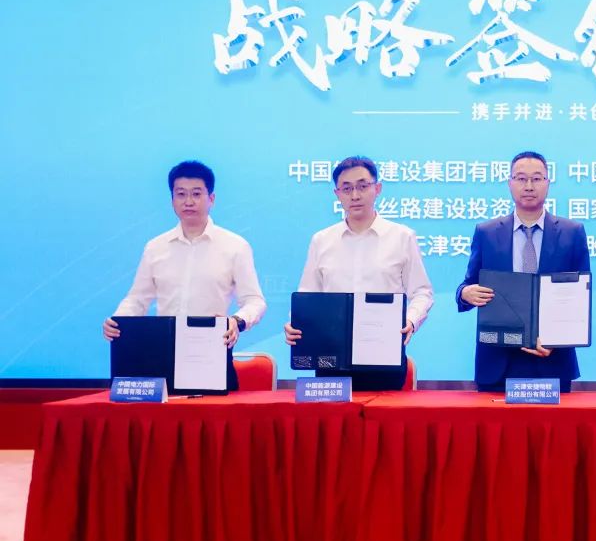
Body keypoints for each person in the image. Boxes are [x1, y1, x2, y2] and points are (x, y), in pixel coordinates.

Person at [103, 160, 266, 391]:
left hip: (211, 353)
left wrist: (237, 322)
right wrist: (119, 320)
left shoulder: (235, 246)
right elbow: (137, 299)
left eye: (196, 194)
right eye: (181, 194)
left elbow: (255, 301)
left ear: (211, 199)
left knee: (215, 414)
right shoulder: (155, 247)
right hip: (161, 353)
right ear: (172, 200)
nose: (188, 201)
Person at [285, 156, 433, 390]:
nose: (355, 195)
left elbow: (422, 292)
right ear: (337, 194)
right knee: (332, 415)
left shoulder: (402, 237)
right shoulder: (322, 240)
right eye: (346, 188)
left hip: (383, 355)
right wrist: (296, 321)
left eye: (363, 186)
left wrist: (410, 321)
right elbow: (307, 295)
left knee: (383, 415)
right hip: (330, 356)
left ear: (377, 188)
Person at [456, 150, 590, 393]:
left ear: (548, 183)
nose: (529, 186)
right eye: (521, 178)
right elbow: (468, 284)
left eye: (537, 178)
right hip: (497, 362)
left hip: (552, 359)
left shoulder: (572, 233)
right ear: (510, 183)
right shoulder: (486, 232)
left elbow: (580, 298)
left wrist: (557, 340)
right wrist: (465, 293)